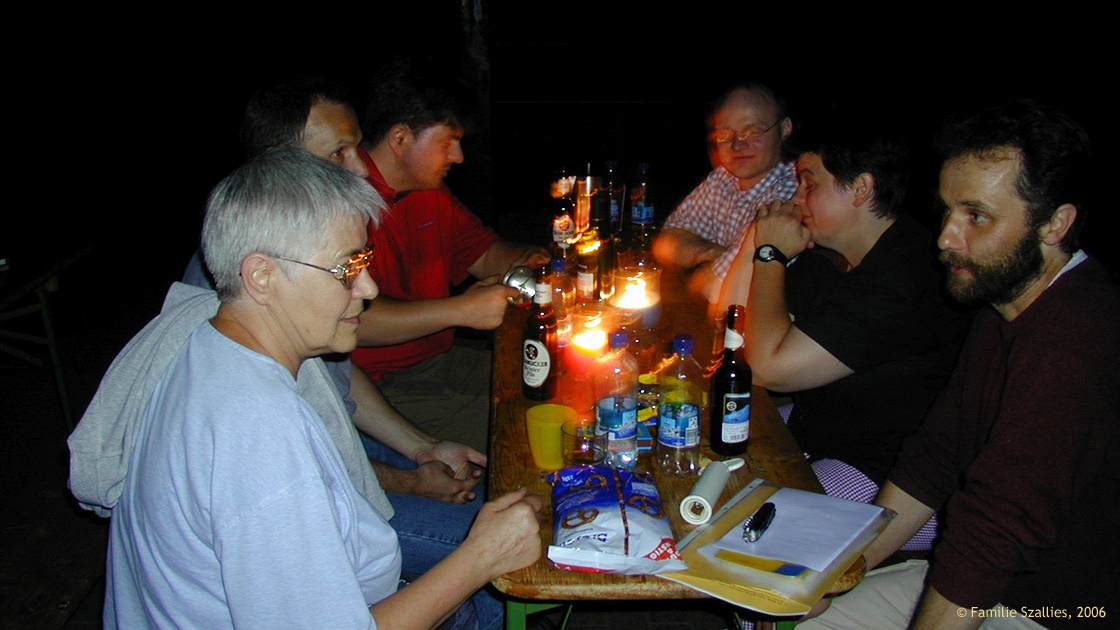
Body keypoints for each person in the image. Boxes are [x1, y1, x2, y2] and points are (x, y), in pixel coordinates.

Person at [70, 148, 543, 628]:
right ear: (262, 276)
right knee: (513, 582)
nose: (369, 288)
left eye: (365, 261)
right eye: (346, 268)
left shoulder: (208, 343)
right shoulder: (258, 430)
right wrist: (481, 557)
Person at [801, 99, 1119, 629]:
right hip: (987, 582)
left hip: (1059, 606)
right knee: (795, 616)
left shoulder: (1078, 338)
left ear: (1055, 224)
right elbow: (935, 458)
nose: (947, 237)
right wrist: (835, 575)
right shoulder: (1004, 305)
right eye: (948, 211)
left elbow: (995, 529)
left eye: (976, 216)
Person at [181, 76, 491, 599]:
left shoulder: (301, 258)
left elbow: (335, 385)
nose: (360, 168)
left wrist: (421, 449)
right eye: (339, 152)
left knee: (489, 502)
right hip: (315, 499)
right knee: (497, 543)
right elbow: (300, 471)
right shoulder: (243, 297)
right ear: (280, 164)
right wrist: (412, 484)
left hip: (341, 453)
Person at [722, 115, 969, 553]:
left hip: (887, 470)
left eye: (809, 182)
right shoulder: (833, 259)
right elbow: (732, 326)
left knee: (748, 537)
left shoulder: (910, 274)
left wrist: (770, 254)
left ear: (860, 188)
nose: (796, 197)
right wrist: (756, 244)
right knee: (707, 445)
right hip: (820, 432)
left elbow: (767, 369)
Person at [351, 58, 549, 453]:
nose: (458, 156)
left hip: (440, 358)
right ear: (400, 138)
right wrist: (460, 310)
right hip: (380, 382)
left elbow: (484, 253)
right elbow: (354, 320)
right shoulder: (344, 201)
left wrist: (539, 260)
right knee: (525, 439)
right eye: (447, 142)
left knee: (551, 384)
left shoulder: (427, 191)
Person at [652, 81, 798, 305]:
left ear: (785, 129)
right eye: (724, 134)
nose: (737, 145)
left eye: (753, 131)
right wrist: (714, 253)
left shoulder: (794, 191)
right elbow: (666, 242)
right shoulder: (723, 178)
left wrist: (702, 262)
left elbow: (713, 289)